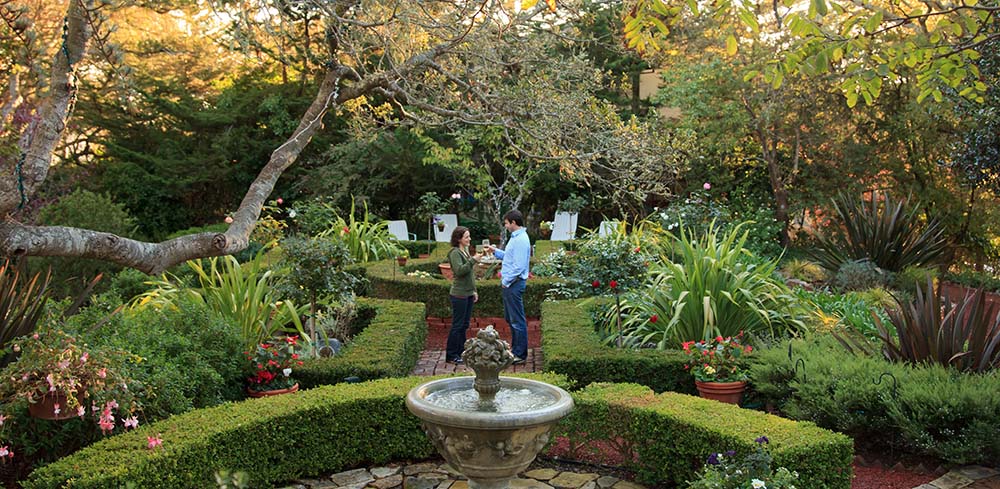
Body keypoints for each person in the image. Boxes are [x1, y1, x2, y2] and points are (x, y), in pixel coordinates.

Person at [486, 210, 530, 364]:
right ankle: (516, 351)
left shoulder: (521, 240)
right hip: (512, 284)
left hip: (514, 284)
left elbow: (518, 266)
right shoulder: (517, 238)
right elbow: (510, 257)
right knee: (512, 319)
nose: (505, 226)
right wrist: (496, 252)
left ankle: (520, 354)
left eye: (506, 223)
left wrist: (506, 281)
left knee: (517, 320)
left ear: (513, 222)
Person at [446, 226, 479, 364]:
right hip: (459, 294)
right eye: (466, 237)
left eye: (469, 236)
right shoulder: (455, 253)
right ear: (459, 239)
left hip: (468, 294)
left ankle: (460, 352)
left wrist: (474, 290)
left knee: (464, 324)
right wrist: (473, 260)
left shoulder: (464, 251)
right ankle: (451, 354)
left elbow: (470, 274)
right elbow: (460, 271)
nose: (469, 239)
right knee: (457, 325)